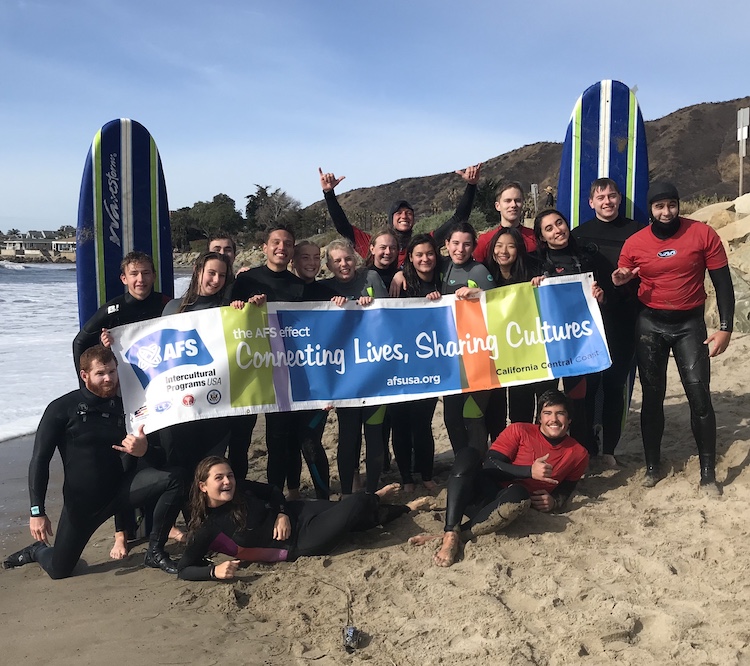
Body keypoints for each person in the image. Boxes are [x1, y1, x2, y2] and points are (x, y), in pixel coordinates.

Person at [2, 346, 185, 577]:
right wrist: (37, 511)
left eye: (112, 371)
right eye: (101, 373)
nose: (109, 378)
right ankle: (38, 551)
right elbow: (40, 460)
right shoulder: (61, 409)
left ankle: (155, 552)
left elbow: (159, 457)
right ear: (84, 375)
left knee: (176, 478)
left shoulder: (128, 406)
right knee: (60, 570)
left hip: (122, 491)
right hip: (83, 505)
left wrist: (144, 449)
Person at [613, 182, 734, 493]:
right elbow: (626, 288)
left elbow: (722, 283)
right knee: (653, 396)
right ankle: (653, 465)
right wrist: (621, 282)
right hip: (650, 324)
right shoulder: (635, 243)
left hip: (689, 324)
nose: (666, 212)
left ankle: (708, 472)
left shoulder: (702, 234)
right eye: (659, 206)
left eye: (671, 205)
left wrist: (725, 328)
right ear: (651, 209)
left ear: (679, 205)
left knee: (699, 396)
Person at [409, 390, 588, 567]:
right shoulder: (519, 430)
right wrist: (528, 471)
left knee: (519, 493)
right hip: (480, 493)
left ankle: (453, 536)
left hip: (512, 508)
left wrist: (554, 501)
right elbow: (490, 465)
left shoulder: (578, 453)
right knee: (468, 454)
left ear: (569, 419)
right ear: (539, 417)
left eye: (560, 414)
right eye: (547, 413)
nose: (553, 419)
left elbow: (567, 488)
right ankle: (450, 529)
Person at [176, 457, 433, 580]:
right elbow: (184, 569)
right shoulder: (206, 529)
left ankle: (386, 503)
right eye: (218, 478)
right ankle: (394, 504)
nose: (227, 481)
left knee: (351, 513)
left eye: (229, 475)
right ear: (202, 486)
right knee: (355, 505)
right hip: (298, 543)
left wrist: (281, 513)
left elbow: (274, 492)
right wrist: (214, 570)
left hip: (297, 513)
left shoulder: (240, 487)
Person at [229, 226, 309, 499]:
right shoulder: (245, 280)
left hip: (284, 371)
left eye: (288, 243)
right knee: (240, 440)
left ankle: (278, 495)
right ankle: (236, 496)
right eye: (276, 242)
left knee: (280, 439)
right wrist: (244, 306)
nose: (281, 247)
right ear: (264, 247)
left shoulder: (299, 285)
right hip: (249, 371)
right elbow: (226, 319)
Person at [572, 178, 644, 466]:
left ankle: (609, 452)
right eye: (600, 197)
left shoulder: (637, 232)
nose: (607, 201)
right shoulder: (578, 235)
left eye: (612, 196)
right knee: (587, 387)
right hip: (588, 323)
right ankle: (587, 448)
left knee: (615, 386)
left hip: (624, 319)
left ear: (619, 199)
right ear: (591, 203)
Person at [532, 209, 605, 452]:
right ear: (542, 237)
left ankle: (582, 453)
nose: (557, 230)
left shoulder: (585, 258)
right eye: (549, 228)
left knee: (578, 402)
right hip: (546, 348)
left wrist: (600, 296)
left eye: (559, 223)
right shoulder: (534, 263)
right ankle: (543, 452)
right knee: (546, 403)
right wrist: (530, 287)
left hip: (579, 346)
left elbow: (605, 298)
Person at [321, 239, 388, 495]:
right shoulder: (324, 288)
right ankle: (348, 492)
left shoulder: (370, 278)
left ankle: (372, 491)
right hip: (345, 379)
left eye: (347, 258)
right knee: (348, 438)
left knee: (374, 435)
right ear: (328, 265)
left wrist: (370, 307)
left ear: (355, 258)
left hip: (375, 375)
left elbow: (389, 314)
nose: (343, 264)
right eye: (337, 261)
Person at [318, 164, 481, 268]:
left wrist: (471, 185)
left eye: (409, 213)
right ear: (391, 219)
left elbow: (458, 219)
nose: (405, 216)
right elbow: (342, 227)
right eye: (399, 213)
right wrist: (329, 193)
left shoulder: (423, 245)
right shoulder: (372, 244)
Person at [388, 234, 441, 492]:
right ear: (410, 257)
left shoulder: (443, 276)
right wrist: (399, 273)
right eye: (418, 254)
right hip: (398, 364)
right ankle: (406, 478)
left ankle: (427, 474)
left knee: (422, 422)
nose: (425, 259)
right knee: (400, 423)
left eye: (429, 253)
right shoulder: (401, 282)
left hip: (430, 365)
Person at [439, 221, 495, 454]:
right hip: (451, 356)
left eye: (466, 244)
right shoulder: (443, 268)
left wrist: (480, 293)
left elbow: (500, 304)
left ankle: (477, 464)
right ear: (446, 244)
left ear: (473, 247)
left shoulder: (479, 271)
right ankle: (462, 462)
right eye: (455, 243)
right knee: (451, 417)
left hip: (478, 355)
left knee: (472, 415)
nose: (460, 249)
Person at [481, 226, 540, 437]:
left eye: (510, 246)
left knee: (521, 403)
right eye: (498, 245)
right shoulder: (484, 273)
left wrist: (542, 284)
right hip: (493, 352)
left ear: (519, 249)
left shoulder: (532, 272)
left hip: (523, 352)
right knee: (495, 405)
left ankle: (522, 445)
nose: (503, 251)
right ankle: (498, 447)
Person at [72, 251, 171, 373]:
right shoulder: (112, 310)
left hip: (162, 375)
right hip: (126, 379)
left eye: (146, 273)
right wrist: (103, 346)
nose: (140, 279)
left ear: (154, 277)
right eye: (134, 274)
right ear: (124, 279)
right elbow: (80, 342)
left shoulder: (168, 305)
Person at [473, 182, 537, 264]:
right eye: (508, 201)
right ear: (498, 206)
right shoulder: (485, 241)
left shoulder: (534, 237)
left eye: (517, 200)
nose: (513, 205)